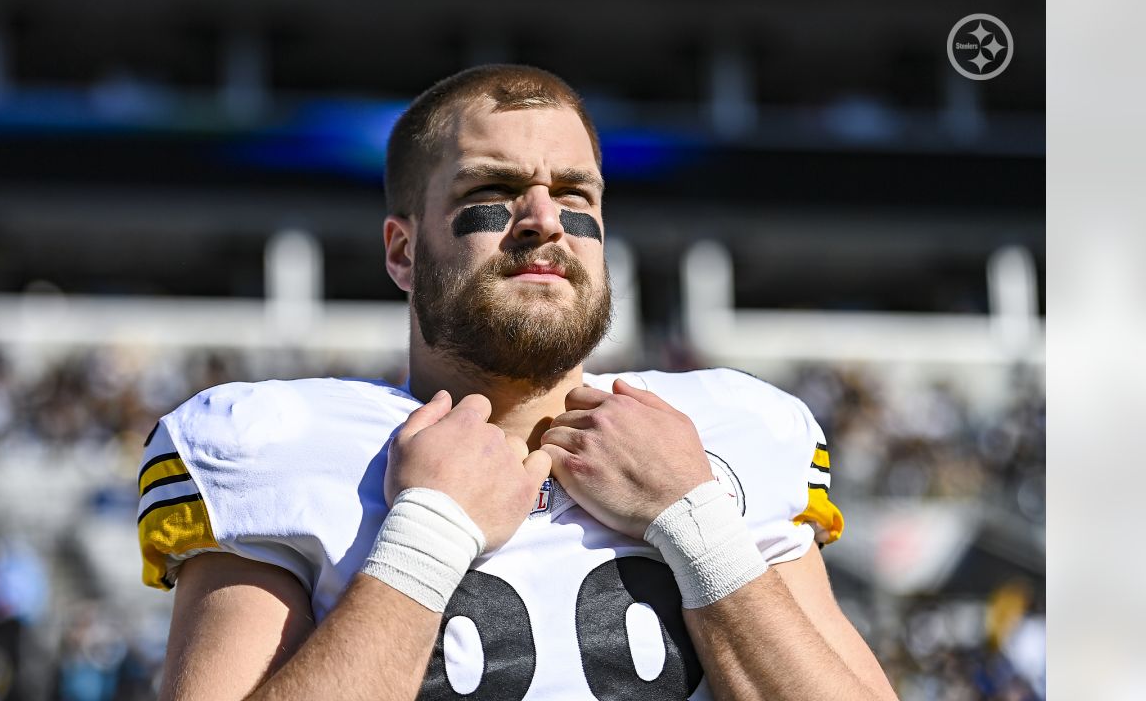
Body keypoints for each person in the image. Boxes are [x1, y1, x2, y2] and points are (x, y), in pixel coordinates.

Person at [136, 64, 898, 700]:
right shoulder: (280, 443)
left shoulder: (729, 433)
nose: (545, 220)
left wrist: (697, 523)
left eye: (576, 195)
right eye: (489, 193)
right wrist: (426, 539)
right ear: (402, 253)